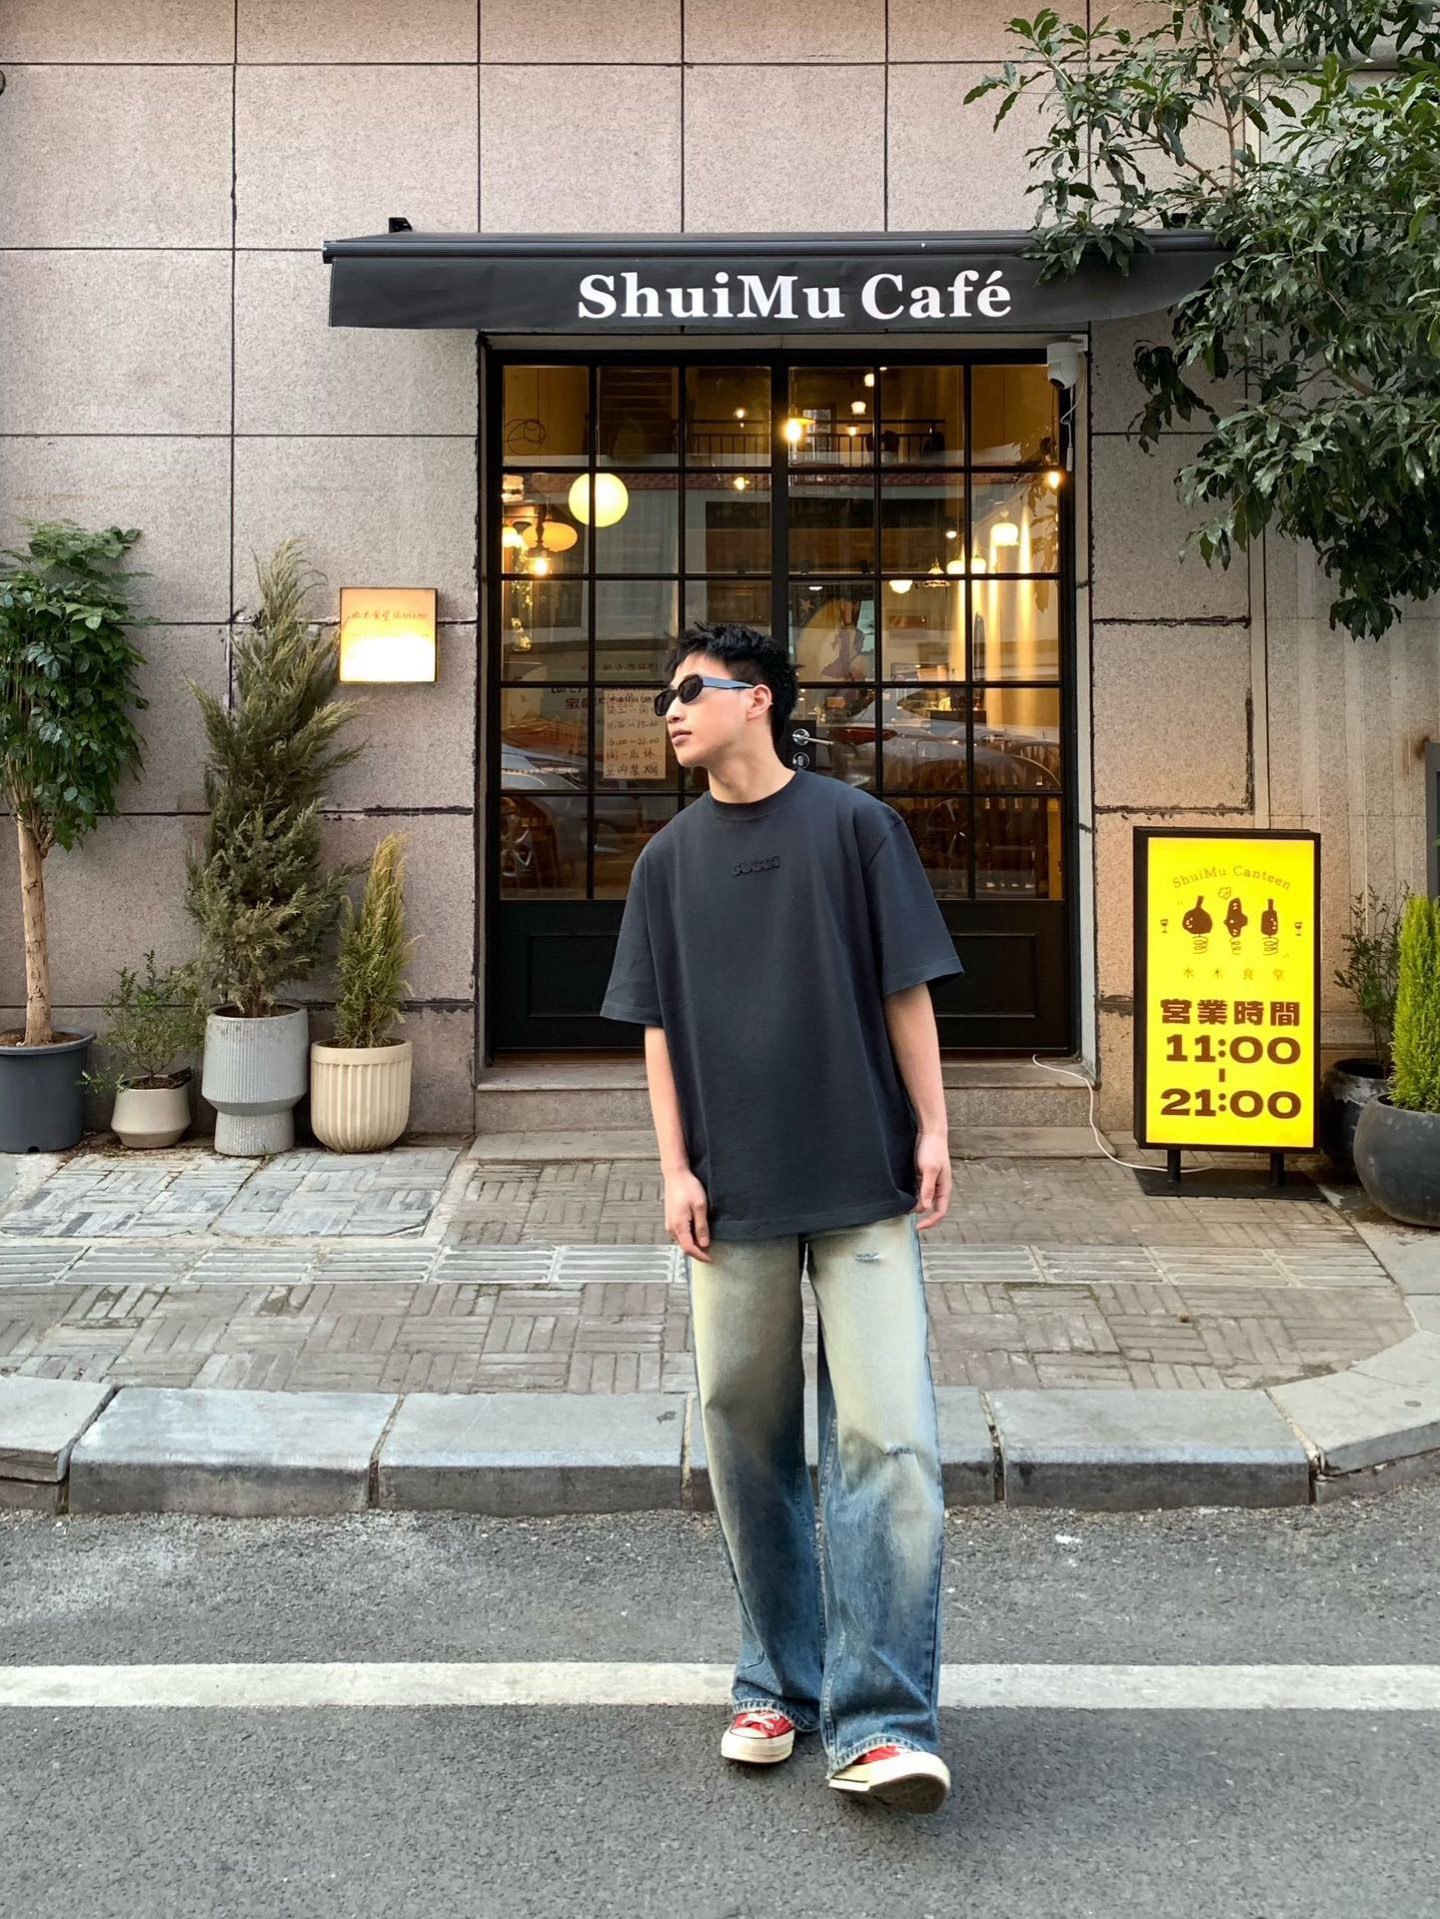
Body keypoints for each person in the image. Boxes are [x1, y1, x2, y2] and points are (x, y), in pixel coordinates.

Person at [599, 622, 965, 1816]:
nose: (669, 709)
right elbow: (657, 1028)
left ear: (758, 700)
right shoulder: (665, 862)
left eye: (689, 690)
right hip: (733, 1188)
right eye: (665, 696)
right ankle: (776, 1680)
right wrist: (673, 1168)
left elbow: (905, 987)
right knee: (745, 1439)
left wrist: (933, 1128)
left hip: (862, 1177)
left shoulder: (857, 827)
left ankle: (884, 1719)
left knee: (891, 1441)